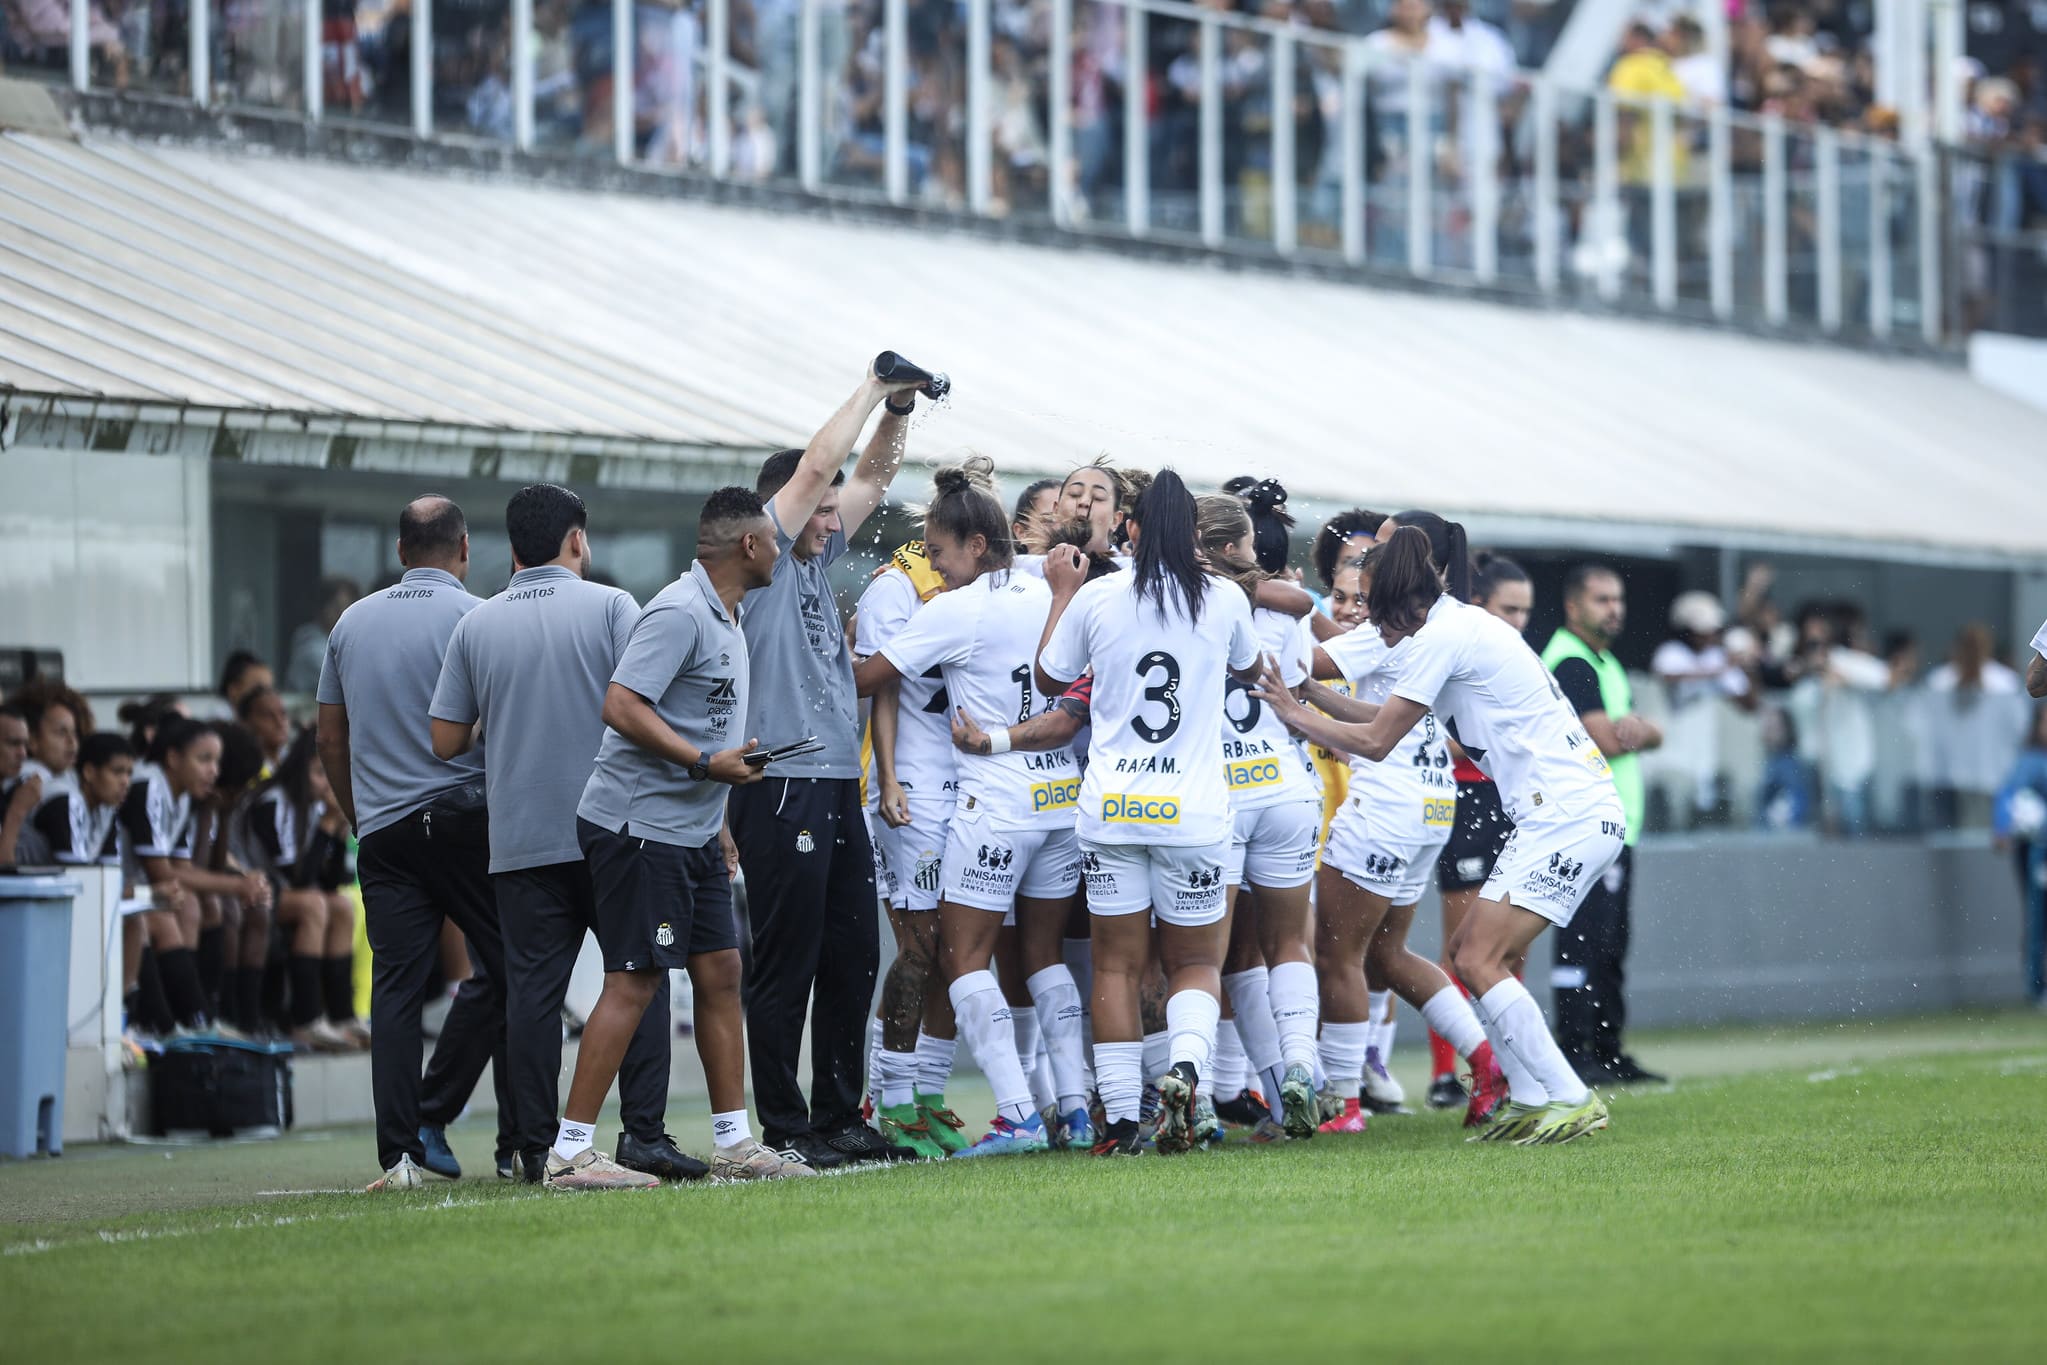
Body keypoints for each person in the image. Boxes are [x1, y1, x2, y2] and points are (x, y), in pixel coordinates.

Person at [1255, 527, 1627, 1147]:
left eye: (1370, 599)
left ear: (1401, 595)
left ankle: (1569, 1095)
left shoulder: (1442, 636)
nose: (1364, 614)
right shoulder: (1450, 626)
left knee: (1477, 957)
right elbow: (1386, 717)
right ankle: (1532, 1096)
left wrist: (1297, 715)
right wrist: (1312, 695)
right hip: (1563, 812)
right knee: (1470, 953)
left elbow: (1378, 743)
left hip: (1568, 815)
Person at [431, 484, 687, 1187]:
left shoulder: (476, 624)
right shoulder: (611, 606)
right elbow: (645, 705)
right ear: (577, 540)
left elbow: (446, 738)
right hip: (614, 829)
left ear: (510, 549)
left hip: (518, 835)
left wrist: (506, 718)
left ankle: (534, 1148)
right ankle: (643, 1135)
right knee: (638, 978)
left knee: (531, 996)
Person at [568, 487, 815, 1187]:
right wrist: (704, 763)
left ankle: (735, 1141)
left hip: (696, 829)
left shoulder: (727, 613)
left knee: (721, 970)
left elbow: (704, 727)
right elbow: (620, 703)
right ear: (748, 546)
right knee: (635, 979)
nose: (780, 547)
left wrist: (721, 809)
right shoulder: (679, 611)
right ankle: (569, 1152)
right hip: (639, 825)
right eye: (774, 537)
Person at [855, 459, 1091, 1158]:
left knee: (960, 958)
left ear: (976, 546)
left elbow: (870, 676)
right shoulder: (1052, 589)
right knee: (1044, 955)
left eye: (938, 553)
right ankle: (1073, 1110)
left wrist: (829, 645)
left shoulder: (957, 608)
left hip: (995, 802)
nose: (933, 568)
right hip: (1060, 798)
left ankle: (1016, 1112)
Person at [728, 362, 925, 1171]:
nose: (833, 517)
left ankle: (840, 1113)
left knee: (852, 951)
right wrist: (874, 385)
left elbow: (872, 474)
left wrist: (903, 409)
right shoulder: (762, 566)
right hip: (777, 784)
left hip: (833, 783)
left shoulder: (812, 561)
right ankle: (784, 1123)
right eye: (820, 507)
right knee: (788, 958)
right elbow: (817, 470)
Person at [1036, 469, 1261, 1156]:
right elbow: (1249, 671)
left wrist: (1062, 593)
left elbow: (1047, 676)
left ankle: (1123, 1124)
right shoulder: (1223, 598)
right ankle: (1187, 1070)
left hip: (1111, 808)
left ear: (1130, 528)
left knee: (1115, 967)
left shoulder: (1100, 595)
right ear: (1194, 534)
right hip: (1192, 813)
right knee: (1194, 961)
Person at [317, 495, 524, 1188]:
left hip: (384, 832)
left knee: (397, 991)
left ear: (401, 551)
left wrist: (358, 813)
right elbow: (505, 724)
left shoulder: (350, 622)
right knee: (516, 971)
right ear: (464, 549)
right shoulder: (480, 616)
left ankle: (400, 1152)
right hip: (469, 821)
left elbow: (328, 734)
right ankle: (521, 1141)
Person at [1305, 529, 1507, 1134]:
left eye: (1361, 595)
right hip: (1431, 802)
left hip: (1384, 809)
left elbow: (1317, 659)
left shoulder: (1380, 632)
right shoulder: (1435, 625)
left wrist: (1285, 609)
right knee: (1386, 956)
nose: (1354, 608)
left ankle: (1342, 1104)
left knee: (1334, 954)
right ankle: (1486, 1060)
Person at [1194, 486, 1324, 1140]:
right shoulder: (1282, 608)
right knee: (1285, 944)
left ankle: (1190, 1094)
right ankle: (1298, 1069)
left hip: (1216, 794)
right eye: (1248, 548)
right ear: (1231, 549)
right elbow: (1298, 683)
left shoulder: (1179, 599)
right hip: (1285, 785)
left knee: (1201, 956)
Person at [852, 528, 971, 1157]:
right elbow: (882, 685)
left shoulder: (984, 587)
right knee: (920, 946)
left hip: (974, 789)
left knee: (959, 955)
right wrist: (891, 778)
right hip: (914, 795)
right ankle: (889, 1098)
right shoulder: (894, 589)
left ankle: (927, 1094)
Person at [1539, 565, 1665, 1086]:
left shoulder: (1604, 662)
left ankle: (1609, 1049)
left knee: (1611, 944)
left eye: (1618, 599)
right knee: (1583, 942)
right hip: (1583, 826)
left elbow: (1649, 732)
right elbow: (1609, 739)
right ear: (1574, 606)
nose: (1614, 608)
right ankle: (1577, 1048)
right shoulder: (1571, 663)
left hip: (1616, 830)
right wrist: (1636, 732)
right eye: (1601, 599)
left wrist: (1641, 730)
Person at [1426, 550, 1528, 1110]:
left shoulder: (1515, 654)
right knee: (1464, 944)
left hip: (1510, 798)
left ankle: (1512, 1059)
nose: (1517, 622)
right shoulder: (1459, 644)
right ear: (1479, 607)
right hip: (1463, 797)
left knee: (1512, 945)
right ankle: (1450, 1071)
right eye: (1508, 609)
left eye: (1524, 611)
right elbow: (1427, 723)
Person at [236, 730, 367, 1053]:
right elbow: (297, 879)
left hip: (285, 894)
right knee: (314, 905)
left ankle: (341, 1016)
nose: (328, 784)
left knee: (340, 904)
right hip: (249, 892)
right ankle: (306, 1019)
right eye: (320, 773)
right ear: (300, 768)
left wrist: (336, 830)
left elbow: (332, 881)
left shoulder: (314, 807)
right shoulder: (274, 802)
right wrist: (326, 828)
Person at [1993, 706, 2047, 1006]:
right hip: (2042, 848)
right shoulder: (2031, 761)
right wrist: (2002, 828)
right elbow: (2010, 796)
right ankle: (2036, 987)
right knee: (2039, 918)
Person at [30, 731, 133, 866]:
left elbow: (110, 872)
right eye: (117, 771)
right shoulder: (64, 799)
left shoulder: (106, 807)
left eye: (129, 773)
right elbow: (76, 873)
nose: (125, 782)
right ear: (89, 772)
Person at [286, 577, 361, 693]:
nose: (342, 613)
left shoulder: (341, 640)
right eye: (336, 606)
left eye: (348, 607)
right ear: (321, 607)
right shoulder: (310, 647)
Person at [1, 702, 42, 865]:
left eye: (25, 744)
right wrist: (17, 810)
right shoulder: (16, 804)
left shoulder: (8, 794)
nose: (23, 754)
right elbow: (4, 868)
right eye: (13, 743)